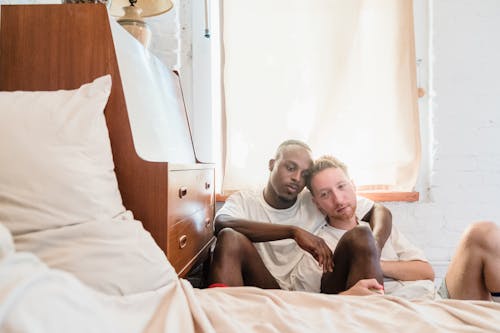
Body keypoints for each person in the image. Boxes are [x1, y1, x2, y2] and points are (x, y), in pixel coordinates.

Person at [298, 155, 500, 301]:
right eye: (325, 194)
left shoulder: (377, 228)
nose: (338, 199)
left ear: (353, 185)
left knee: (482, 232)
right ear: (316, 203)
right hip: (399, 312)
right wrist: (347, 295)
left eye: (341, 186)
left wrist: (377, 262)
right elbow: (311, 303)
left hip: (436, 299)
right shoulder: (319, 246)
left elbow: (426, 271)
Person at [207, 140, 392, 295]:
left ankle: (372, 314)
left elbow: (379, 210)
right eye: (290, 168)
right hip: (264, 285)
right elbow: (221, 223)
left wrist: (376, 247)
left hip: (309, 291)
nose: (297, 178)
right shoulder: (244, 200)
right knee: (230, 237)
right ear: (272, 164)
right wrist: (293, 232)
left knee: (361, 233)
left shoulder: (315, 199)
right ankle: (223, 317)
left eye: (304, 174)